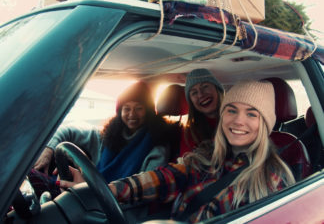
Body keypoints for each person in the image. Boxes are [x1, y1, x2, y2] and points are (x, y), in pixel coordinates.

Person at [59, 80, 295, 223]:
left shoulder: (272, 178)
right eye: (231, 111)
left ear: (265, 123)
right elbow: (163, 178)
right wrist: (106, 190)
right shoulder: (205, 155)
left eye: (252, 114)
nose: (238, 121)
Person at [31, 81, 177, 198]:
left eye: (139, 108)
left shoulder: (157, 145)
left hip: (120, 209)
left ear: (148, 110)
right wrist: (48, 150)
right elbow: (67, 130)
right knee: (33, 177)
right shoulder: (107, 136)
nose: (132, 114)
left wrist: (95, 191)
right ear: (120, 112)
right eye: (126, 108)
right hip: (91, 195)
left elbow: (147, 187)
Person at [179, 68, 224, 157]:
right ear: (191, 102)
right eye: (194, 92)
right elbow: (187, 164)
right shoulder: (191, 133)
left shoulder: (236, 121)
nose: (200, 94)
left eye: (205, 86)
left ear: (217, 89)